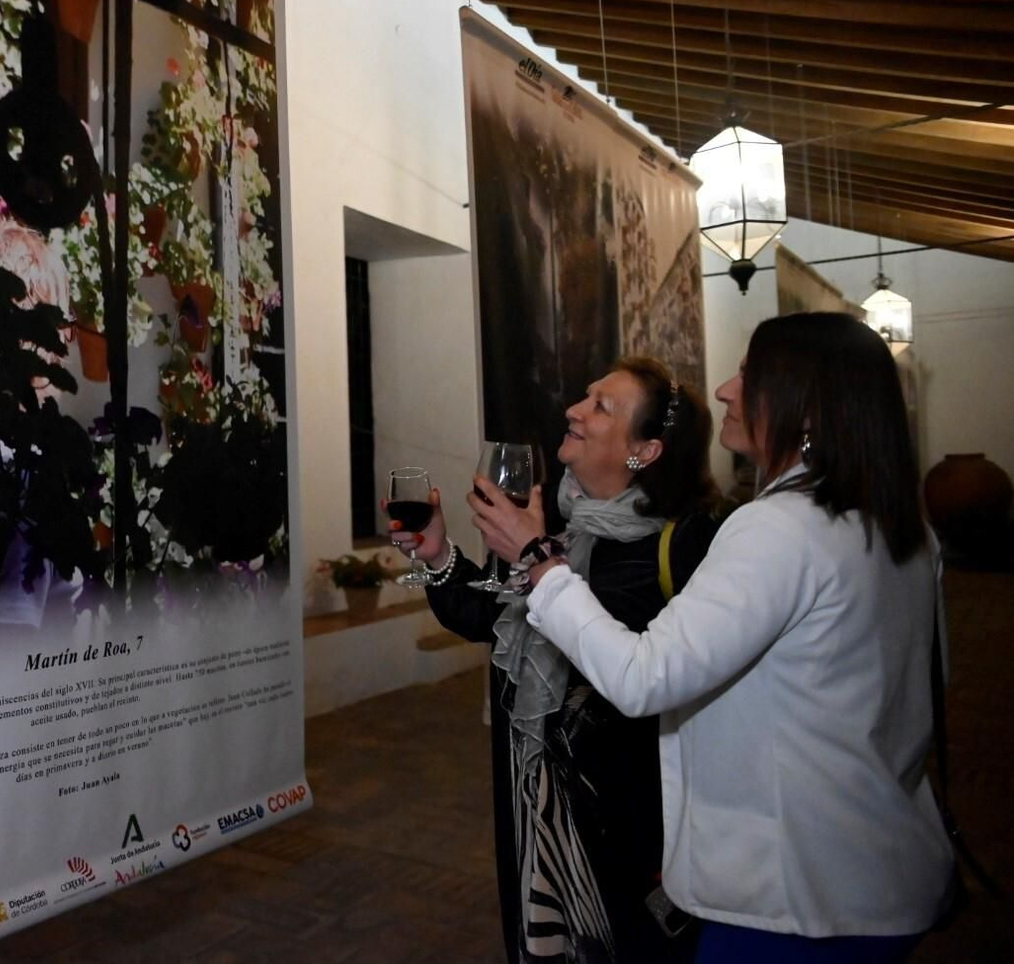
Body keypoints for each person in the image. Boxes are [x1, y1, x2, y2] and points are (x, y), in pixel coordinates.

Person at [475, 313, 955, 963]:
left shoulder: (776, 530)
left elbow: (642, 675)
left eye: (751, 376)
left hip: (795, 897)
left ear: (806, 408)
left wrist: (538, 560)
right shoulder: (902, 530)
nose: (727, 389)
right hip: (879, 871)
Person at [390, 356, 724, 964]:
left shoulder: (687, 542)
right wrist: (439, 554)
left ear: (644, 451)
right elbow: (496, 620)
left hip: (623, 820)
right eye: (585, 396)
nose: (573, 408)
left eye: (602, 406)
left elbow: (614, 646)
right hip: (536, 799)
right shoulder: (559, 531)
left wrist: (534, 554)